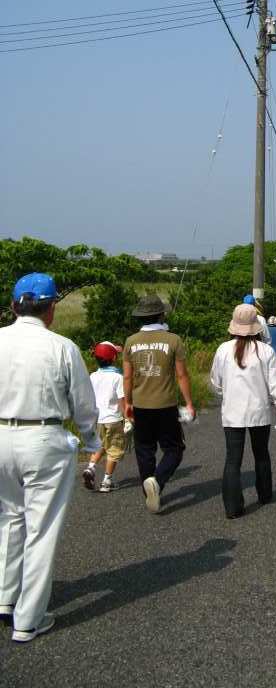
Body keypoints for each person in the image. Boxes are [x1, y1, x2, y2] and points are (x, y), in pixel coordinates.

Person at [0, 273, 100, 643]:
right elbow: (83, 404)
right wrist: (91, 440)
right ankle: (29, 618)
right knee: (41, 529)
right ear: (51, 309)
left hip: (0, 437)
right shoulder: (61, 347)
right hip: (42, 437)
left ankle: (4, 598)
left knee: (9, 518)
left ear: (14, 306)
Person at [210, 304, 276, 518]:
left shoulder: (223, 349)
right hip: (259, 410)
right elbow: (275, 383)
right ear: (256, 326)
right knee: (261, 453)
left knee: (233, 459)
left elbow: (215, 382)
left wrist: (224, 395)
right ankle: (265, 494)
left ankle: (233, 507)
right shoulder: (265, 351)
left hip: (232, 412)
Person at [123, 295, 194, 515]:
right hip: (166, 404)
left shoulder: (130, 341)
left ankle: (149, 490)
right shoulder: (173, 340)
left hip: (141, 404)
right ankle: (158, 481)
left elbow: (127, 377)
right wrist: (189, 403)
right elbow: (181, 375)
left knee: (144, 449)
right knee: (174, 449)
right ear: (161, 314)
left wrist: (128, 402)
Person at [83, 341, 131, 493]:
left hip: (98, 419)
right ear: (113, 358)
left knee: (101, 445)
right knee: (114, 450)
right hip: (114, 419)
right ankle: (106, 481)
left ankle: (90, 468)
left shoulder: (93, 376)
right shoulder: (117, 377)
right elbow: (122, 400)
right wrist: (128, 418)